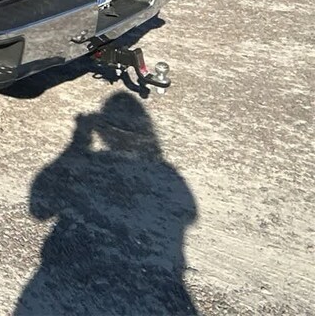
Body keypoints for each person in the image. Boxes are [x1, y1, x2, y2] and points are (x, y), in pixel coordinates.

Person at [14, 92, 198, 315]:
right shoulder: (168, 176)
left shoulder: (94, 167)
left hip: (71, 284)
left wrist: (78, 142)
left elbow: (40, 207)